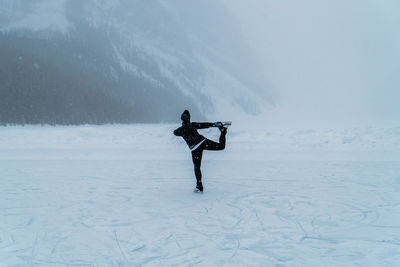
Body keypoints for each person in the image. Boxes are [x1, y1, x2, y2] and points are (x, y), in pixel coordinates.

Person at [173, 110, 227, 192]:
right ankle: (223, 132)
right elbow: (204, 125)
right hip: (203, 142)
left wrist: (182, 129)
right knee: (221, 146)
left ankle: (199, 186)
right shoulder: (192, 125)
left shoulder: (180, 130)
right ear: (189, 119)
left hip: (195, 149)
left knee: (197, 167)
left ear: (182, 120)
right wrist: (214, 124)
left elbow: (174, 132)